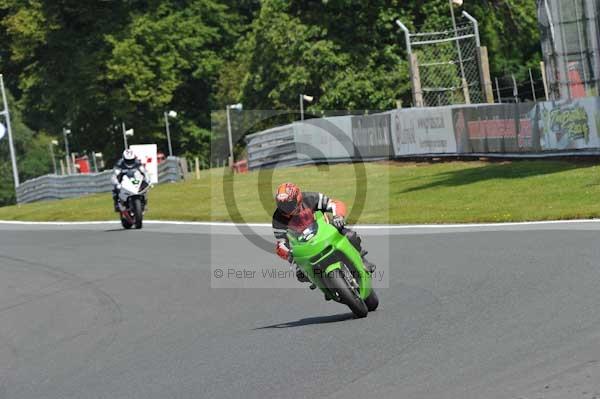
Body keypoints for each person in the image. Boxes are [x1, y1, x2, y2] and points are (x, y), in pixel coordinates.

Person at [272, 182, 375, 283]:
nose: (285, 208)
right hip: (304, 246)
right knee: (301, 274)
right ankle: (325, 285)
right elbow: (280, 242)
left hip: (326, 231)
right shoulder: (278, 218)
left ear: (297, 198)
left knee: (350, 235)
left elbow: (334, 204)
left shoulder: (311, 198)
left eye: (288, 204)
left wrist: (338, 216)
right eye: (282, 205)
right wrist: (289, 253)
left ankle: (362, 259)